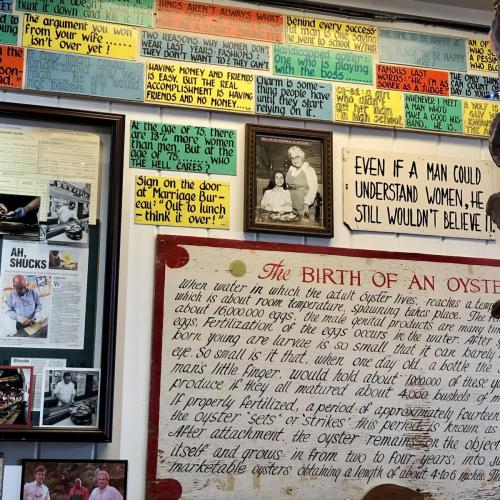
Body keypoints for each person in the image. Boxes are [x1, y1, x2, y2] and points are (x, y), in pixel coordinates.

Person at [285, 146, 318, 218]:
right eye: (292, 158)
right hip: (292, 205)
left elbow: (313, 188)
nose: (295, 160)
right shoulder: (290, 169)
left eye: (297, 157)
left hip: (305, 206)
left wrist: (306, 204)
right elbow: (288, 186)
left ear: (302, 157)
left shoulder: (308, 169)